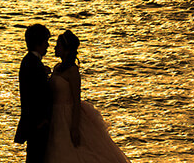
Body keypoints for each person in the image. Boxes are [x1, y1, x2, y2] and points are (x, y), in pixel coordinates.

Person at [45, 30, 133, 163]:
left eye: (58, 45)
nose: (55, 48)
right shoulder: (57, 67)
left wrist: (74, 127)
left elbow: (76, 99)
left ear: (67, 50)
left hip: (67, 116)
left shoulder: (73, 72)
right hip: (54, 115)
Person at [15, 23, 53, 163]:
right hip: (37, 123)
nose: (48, 46)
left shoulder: (31, 62)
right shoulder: (32, 63)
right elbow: (34, 95)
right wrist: (41, 121)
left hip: (34, 123)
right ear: (39, 43)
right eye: (46, 42)